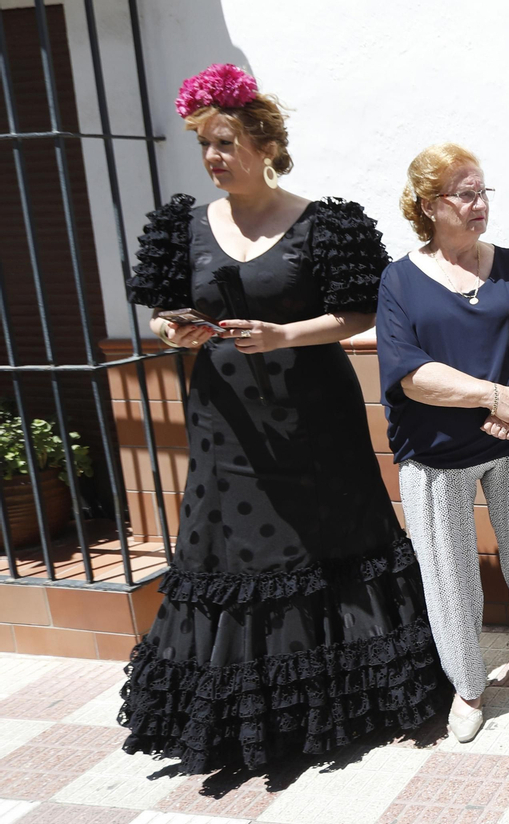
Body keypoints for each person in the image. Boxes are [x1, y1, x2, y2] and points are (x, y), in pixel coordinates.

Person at [119, 65, 448, 773]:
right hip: (226, 420)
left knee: (332, 540)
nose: (212, 157)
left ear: (265, 145)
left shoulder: (324, 224)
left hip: (314, 417)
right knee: (234, 553)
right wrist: (172, 333)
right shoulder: (182, 225)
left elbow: (359, 311)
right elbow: (159, 313)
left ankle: (350, 695)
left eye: (225, 142)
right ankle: (251, 713)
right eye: (204, 144)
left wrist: (283, 333)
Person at [377, 143, 509, 742]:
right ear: (428, 205)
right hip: (435, 452)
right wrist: (494, 396)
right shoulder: (400, 280)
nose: (479, 205)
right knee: (447, 572)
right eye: (465, 194)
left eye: (483, 192)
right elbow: (410, 373)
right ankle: (468, 687)